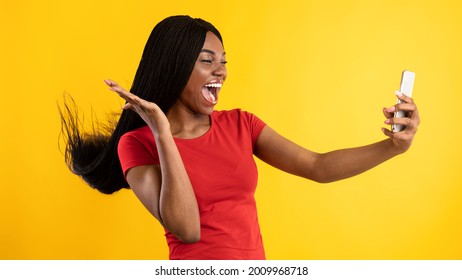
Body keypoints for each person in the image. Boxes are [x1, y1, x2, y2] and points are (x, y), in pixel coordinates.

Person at [59, 15, 420, 260]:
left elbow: (317, 166)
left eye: (224, 60)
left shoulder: (241, 125)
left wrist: (393, 146)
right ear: (175, 66)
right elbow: (186, 229)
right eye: (207, 60)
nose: (221, 71)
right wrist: (163, 133)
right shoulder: (137, 144)